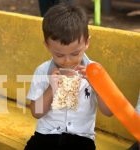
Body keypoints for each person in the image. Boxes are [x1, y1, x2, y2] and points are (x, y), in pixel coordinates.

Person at [24, 3, 113, 150]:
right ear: (47, 45)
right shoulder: (42, 71)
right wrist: (51, 89)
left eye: (75, 53)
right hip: (46, 135)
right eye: (59, 55)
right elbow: (36, 112)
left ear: (87, 43)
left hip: (81, 139)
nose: (67, 60)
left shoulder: (95, 71)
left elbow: (108, 112)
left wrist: (97, 85)